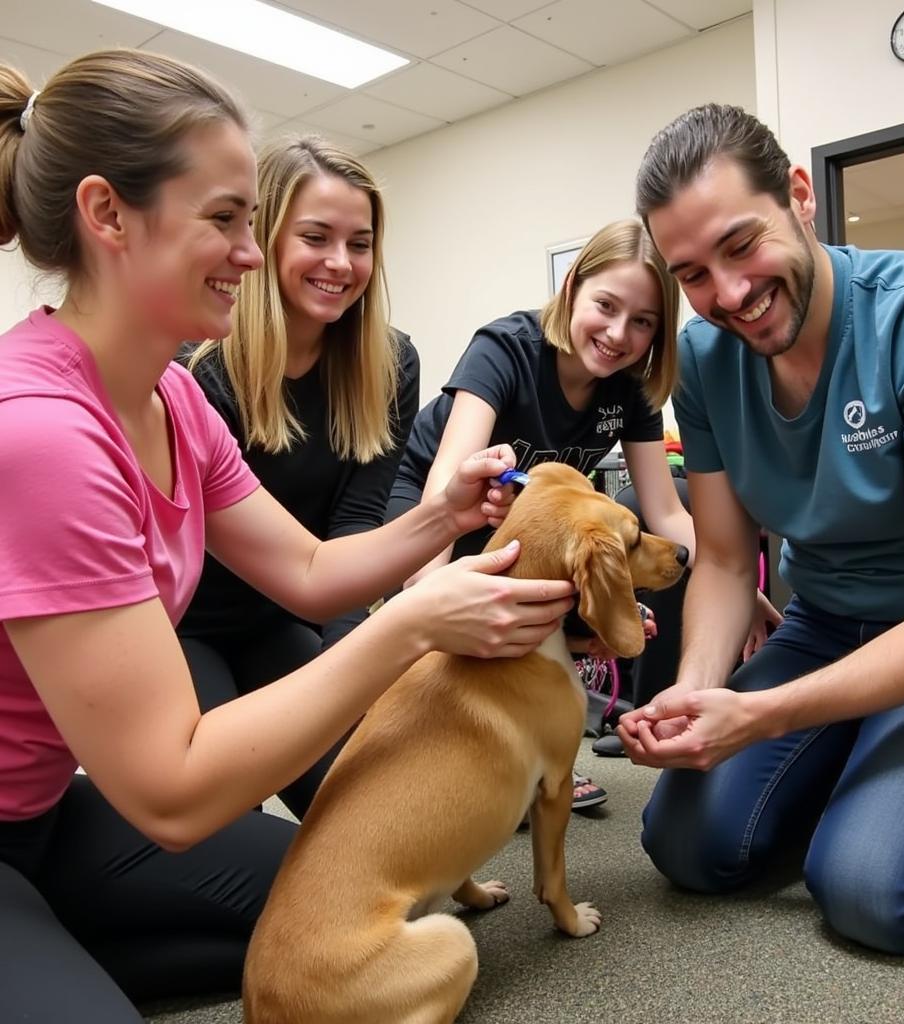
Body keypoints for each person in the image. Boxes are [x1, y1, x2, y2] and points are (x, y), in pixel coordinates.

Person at [0, 51, 575, 1022]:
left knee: (330, 923)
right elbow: (174, 790)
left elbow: (307, 572)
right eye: (225, 219)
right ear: (106, 216)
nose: (253, 254)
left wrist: (446, 516)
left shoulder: (171, 395)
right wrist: (413, 627)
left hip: (49, 813)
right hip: (62, 811)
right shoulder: (42, 430)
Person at [619, 102, 904, 955]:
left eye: (741, 245)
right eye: (692, 273)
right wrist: (700, 692)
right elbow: (728, 564)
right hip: (827, 620)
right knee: (686, 845)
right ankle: (873, 756)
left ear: (799, 196)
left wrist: (764, 719)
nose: (727, 295)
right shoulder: (700, 360)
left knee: (878, 894)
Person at [388, 219, 779, 806]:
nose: (619, 334)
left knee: (566, 631)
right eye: (606, 305)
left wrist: (739, 584)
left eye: (643, 321)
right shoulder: (507, 348)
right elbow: (447, 482)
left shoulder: (630, 390)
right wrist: (426, 590)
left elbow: (667, 516)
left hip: (525, 527)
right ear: (572, 286)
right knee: (448, 643)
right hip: (443, 512)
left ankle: (539, 765)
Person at [177, 137, 419, 819]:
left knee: (367, 822)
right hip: (180, 628)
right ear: (266, 239)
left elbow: (355, 529)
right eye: (316, 237)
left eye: (360, 243)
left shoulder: (390, 364)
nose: (341, 264)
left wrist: (346, 678)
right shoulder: (198, 368)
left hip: (286, 617)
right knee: (219, 822)